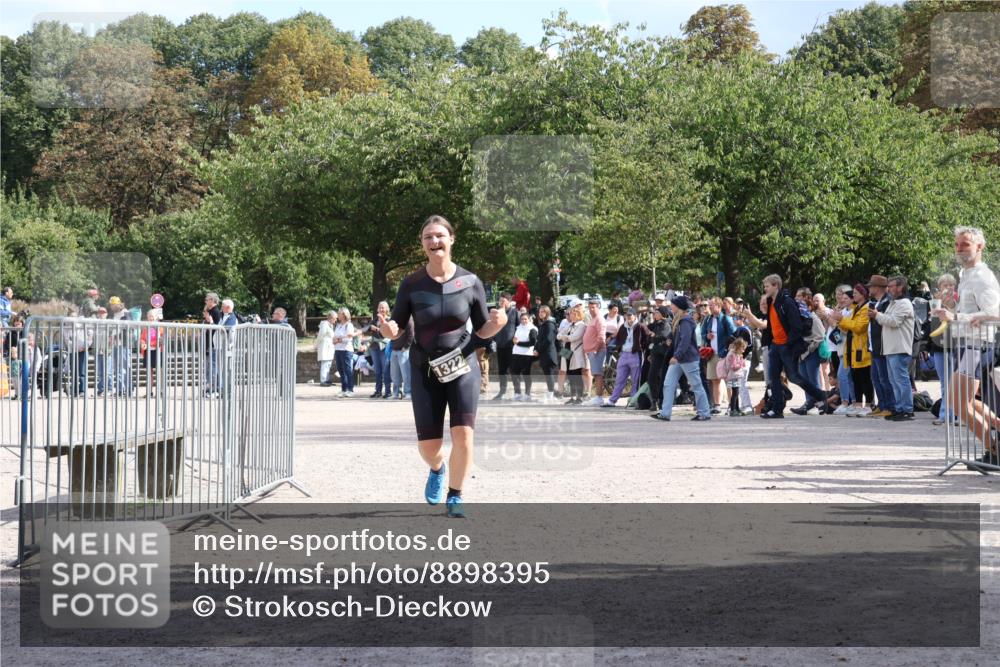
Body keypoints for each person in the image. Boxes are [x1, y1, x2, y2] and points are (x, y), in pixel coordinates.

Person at [378, 215, 507, 518]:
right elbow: (397, 326)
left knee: (463, 434)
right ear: (422, 244)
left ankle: (456, 494)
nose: (435, 241)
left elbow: (481, 329)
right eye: (428, 237)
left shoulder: (470, 282)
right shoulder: (411, 284)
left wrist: (496, 325)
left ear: (451, 239)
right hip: (425, 367)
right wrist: (389, 331)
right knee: (429, 447)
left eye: (439, 236)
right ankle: (437, 468)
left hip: (461, 365)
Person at [932, 227, 1000, 467]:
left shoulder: (982, 276)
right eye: (957, 244)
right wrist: (951, 312)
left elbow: (995, 312)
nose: (959, 248)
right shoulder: (966, 274)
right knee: (959, 401)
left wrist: (955, 318)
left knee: (958, 403)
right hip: (968, 344)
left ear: (979, 247)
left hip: (979, 345)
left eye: (965, 244)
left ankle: (995, 451)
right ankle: (994, 446)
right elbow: (970, 311)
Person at [757, 275, 827, 419]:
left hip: (786, 346)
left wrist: (789, 344)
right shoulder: (771, 301)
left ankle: (820, 395)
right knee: (773, 377)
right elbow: (771, 324)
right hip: (775, 345)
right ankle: (777, 409)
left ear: (776, 285)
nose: (765, 289)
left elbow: (797, 326)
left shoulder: (787, 302)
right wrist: (771, 342)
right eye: (765, 286)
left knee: (794, 377)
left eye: (767, 286)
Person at [651, 295, 711, 421]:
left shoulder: (686, 321)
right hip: (680, 358)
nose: (670, 306)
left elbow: (685, 341)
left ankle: (704, 413)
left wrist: (676, 356)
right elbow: (677, 337)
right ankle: (665, 413)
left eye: (673, 304)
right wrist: (670, 339)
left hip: (687, 358)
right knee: (668, 384)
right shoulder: (678, 321)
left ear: (678, 307)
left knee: (696, 386)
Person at [872, 276, 916, 421]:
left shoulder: (904, 303)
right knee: (894, 380)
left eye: (891, 286)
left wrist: (877, 315)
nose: (888, 289)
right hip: (891, 348)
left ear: (900, 287)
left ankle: (907, 410)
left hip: (899, 348)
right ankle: (899, 408)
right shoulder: (893, 303)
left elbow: (893, 321)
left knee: (900, 380)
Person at [837, 284, 875, 416]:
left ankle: (869, 405)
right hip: (852, 347)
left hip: (862, 348)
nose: (853, 295)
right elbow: (848, 327)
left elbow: (859, 327)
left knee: (865, 377)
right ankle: (858, 404)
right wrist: (839, 321)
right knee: (855, 377)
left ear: (863, 294)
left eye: (856, 293)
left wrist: (841, 320)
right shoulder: (855, 308)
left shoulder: (866, 307)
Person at [603, 307, 649, 407]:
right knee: (619, 379)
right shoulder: (623, 327)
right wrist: (619, 349)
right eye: (627, 315)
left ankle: (633, 400)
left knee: (635, 379)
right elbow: (619, 338)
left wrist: (641, 348)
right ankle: (612, 400)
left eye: (630, 315)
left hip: (635, 354)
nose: (628, 317)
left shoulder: (641, 327)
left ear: (635, 316)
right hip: (624, 354)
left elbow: (646, 339)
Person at [927, 274, 958, 425]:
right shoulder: (935, 303)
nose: (948, 288)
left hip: (956, 345)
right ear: (939, 288)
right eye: (945, 285)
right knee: (944, 383)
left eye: (951, 285)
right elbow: (933, 326)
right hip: (939, 346)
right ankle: (944, 414)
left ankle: (956, 415)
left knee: (956, 383)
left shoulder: (959, 302)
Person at [865, 275, 895, 418]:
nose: (869, 289)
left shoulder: (887, 302)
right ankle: (881, 404)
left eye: (871, 286)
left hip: (882, 345)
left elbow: (887, 322)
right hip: (874, 346)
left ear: (877, 288)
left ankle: (889, 406)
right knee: (876, 378)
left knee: (884, 378)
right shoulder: (874, 303)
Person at [700, 297, 735, 414]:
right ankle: (717, 405)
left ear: (719, 306)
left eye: (712, 305)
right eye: (709, 305)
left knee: (727, 380)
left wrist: (728, 351)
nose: (709, 307)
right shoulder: (708, 319)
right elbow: (703, 333)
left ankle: (732, 405)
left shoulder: (726, 319)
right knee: (715, 380)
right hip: (712, 354)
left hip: (723, 354)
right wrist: (707, 336)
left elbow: (733, 335)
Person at [557, 302, 587, 404]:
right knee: (569, 375)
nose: (570, 316)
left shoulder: (582, 325)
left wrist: (566, 337)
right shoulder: (570, 324)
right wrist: (565, 337)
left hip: (576, 351)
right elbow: (559, 335)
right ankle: (572, 396)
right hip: (566, 350)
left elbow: (575, 337)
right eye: (570, 314)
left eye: (573, 314)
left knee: (577, 374)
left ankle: (579, 397)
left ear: (578, 315)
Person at [490, 292, 517, 401]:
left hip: (511, 346)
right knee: (502, 370)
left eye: (503, 301)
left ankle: (517, 392)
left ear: (509, 301)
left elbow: (519, 327)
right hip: (500, 345)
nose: (501, 303)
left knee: (514, 369)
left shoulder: (515, 313)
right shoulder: (498, 313)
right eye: (500, 301)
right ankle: (502, 391)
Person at [646, 306, 672, 412]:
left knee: (663, 379)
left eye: (656, 312)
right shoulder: (656, 324)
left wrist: (653, 336)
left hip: (663, 355)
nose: (654, 314)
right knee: (651, 377)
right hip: (656, 353)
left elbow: (663, 336)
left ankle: (662, 401)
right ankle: (654, 400)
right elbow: (650, 337)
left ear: (662, 314)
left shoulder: (666, 324)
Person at [583, 298, 607, 405]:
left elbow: (601, 337)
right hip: (591, 350)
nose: (591, 310)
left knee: (598, 374)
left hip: (597, 351)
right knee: (596, 373)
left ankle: (599, 397)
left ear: (598, 307)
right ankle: (597, 396)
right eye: (589, 308)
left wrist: (596, 349)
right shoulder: (593, 319)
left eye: (593, 307)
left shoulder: (599, 319)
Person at [366, 301, 392, 399]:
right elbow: (368, 330)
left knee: (386, 370)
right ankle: (378, 391)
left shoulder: (389, 320)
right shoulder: (374, 320)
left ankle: (388, 391)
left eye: (383, 307)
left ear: (387, 310)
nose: (381, 309)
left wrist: (376, 329)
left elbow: (386, 333)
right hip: (374, 347)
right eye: (380, 307)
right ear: (377, 309)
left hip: (385, 347)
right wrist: (371, 329)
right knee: (377, 371)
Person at [717, 338, 749, 416]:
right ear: (738, 347)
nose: (743, 351)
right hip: (732, 376)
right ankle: (733, 409)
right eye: (742, 349)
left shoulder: (736, 354)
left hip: (736, 376)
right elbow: (733, 366)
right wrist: (741, 363)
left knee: (736, 393)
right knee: (735, 393)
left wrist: (741, 362)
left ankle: (737, 409)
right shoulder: (732, 354)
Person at [533, 305, 559, 403]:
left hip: (549, 353)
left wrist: (538, 350)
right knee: (547, 374)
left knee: (549, 374)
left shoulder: (549, 324)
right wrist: (536, 349)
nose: (541, 313)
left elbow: (548, 340)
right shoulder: (543, 324)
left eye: (543, 312)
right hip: (544, 353)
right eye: (540, 312)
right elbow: (539, 339)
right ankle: (550, 393)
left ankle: (551, 394)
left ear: (547, 313)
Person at [510, 311, 538, 401]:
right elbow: (515, 340)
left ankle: (527, 394)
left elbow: (532, 342)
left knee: (526, 374)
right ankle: (517, 393)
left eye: (525, 319)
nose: (524, 321)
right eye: (522, 319)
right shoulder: (518, 328)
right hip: (516, 353)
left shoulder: (532, 329)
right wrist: (514, 341)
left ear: (529, 319)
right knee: (515, 374)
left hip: (526, 355)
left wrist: (518, 343)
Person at [333, 307, 357, 397]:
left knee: (347, 370)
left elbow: (348, 338)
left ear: (344, 315)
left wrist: (338, 340)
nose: (338, 315)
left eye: (339, 313)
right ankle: (344, 389)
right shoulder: (338, 325)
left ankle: (350, 389)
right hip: (338, 350)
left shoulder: (349, 325)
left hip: (346, 350)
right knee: (340, 370)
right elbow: (334, 337)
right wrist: (338, 339)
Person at [139, 310, 164, 398]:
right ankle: (149, 392)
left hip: (158, 351)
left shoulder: (160, 327)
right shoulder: (146, 328)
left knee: (159, 372)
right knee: (149, 373)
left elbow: (161, 341)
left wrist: (149, 344)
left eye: (152, 316)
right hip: (148, 351)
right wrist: (142, 343)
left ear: (156, 317)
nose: (151, 318)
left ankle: (160, 391)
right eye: (149, 316)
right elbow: (142, 338)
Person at [203, 292, 223, 396]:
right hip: (208, 343)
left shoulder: (216, 312)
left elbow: (218, 327)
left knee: (213, 367)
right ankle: (210, 387)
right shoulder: (209, 311)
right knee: (209, 367)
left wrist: (210, 322)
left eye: (207, 299)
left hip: (213, 344)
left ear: (212, 300)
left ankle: (215, 389)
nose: (205, 301)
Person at [390, 318, 414, 400]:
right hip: (394, 351)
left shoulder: (408, 320)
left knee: (406, 374)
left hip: (403, 351)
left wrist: (405, 347)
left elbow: (411, 335)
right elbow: (391, 334)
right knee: (394, 374)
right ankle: (396, 393)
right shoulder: (393, 320)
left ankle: (408, 393)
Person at [316, 311, 337, 386]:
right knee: (325, 363)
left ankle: (327, 379)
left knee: (328, 364)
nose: (335, 320)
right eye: (335, 318)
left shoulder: (330, 325)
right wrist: (317, 345)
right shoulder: (325, 324)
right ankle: (323, 380)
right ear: (330, 318)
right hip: (325, 347)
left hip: (329, 347)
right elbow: (321, 335)